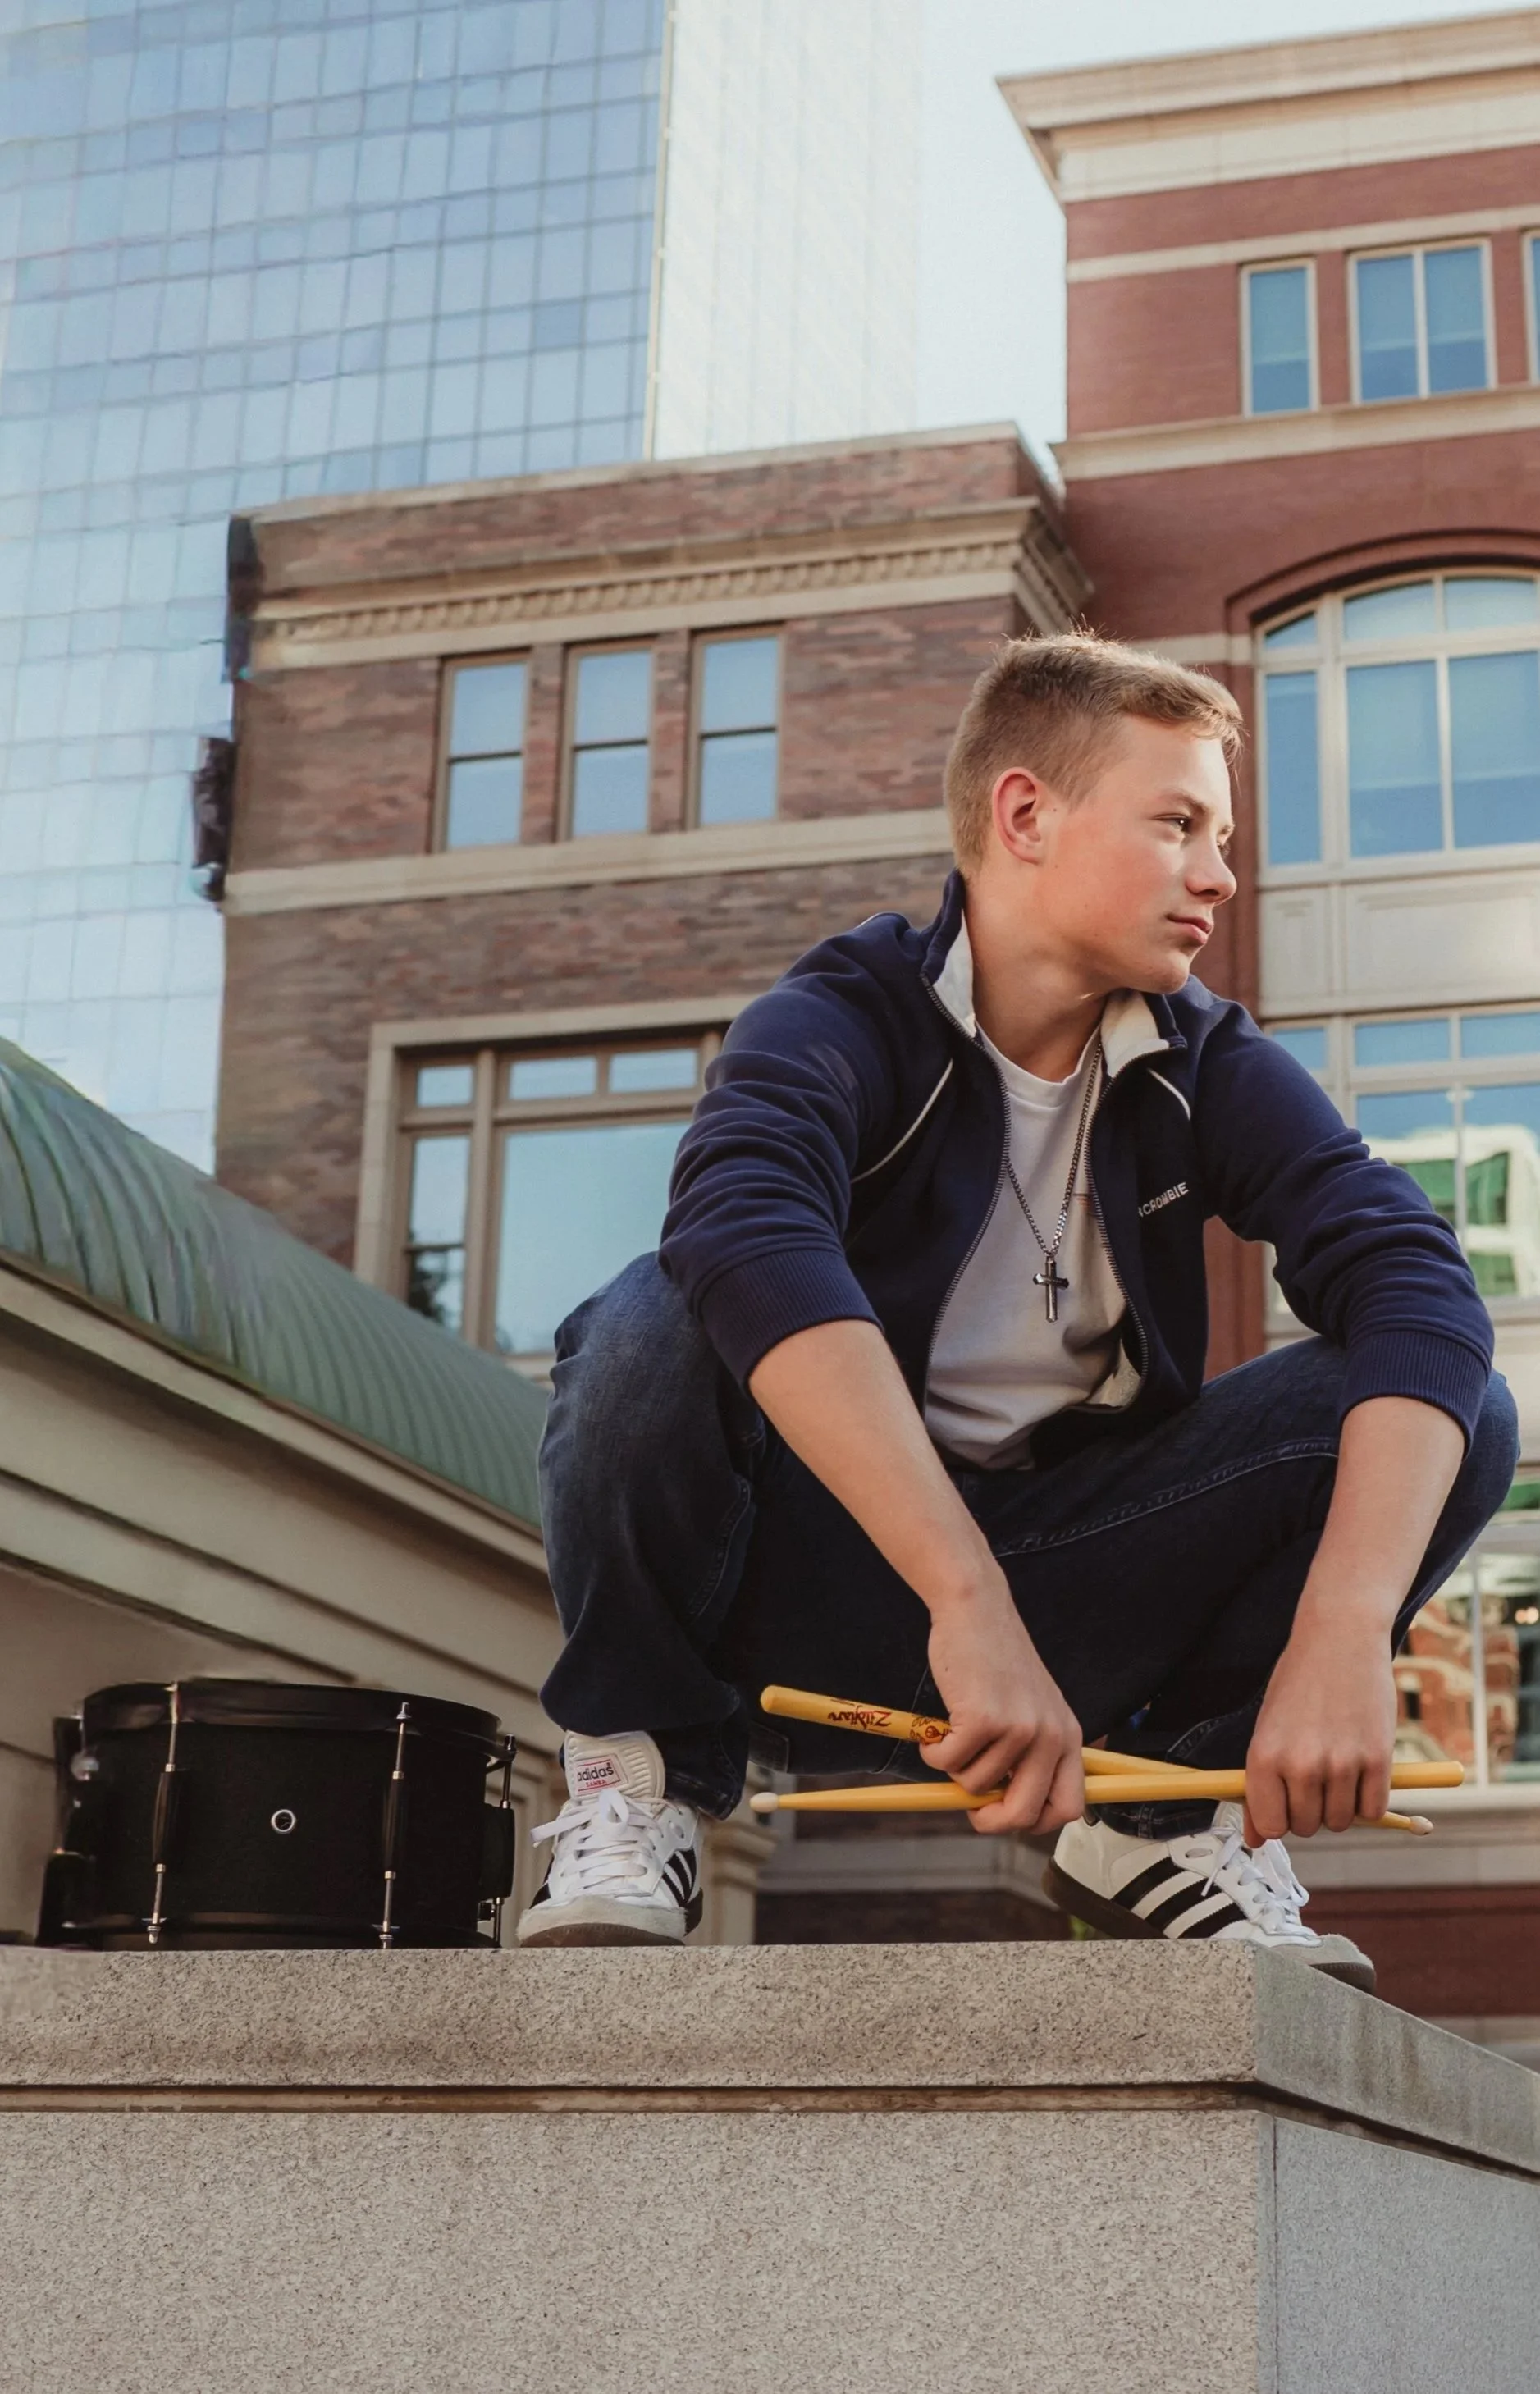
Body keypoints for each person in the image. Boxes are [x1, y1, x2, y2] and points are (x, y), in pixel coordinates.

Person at [516, 633, 1516, 1984]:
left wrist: (1345, 1623)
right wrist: (962, 1598)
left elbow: (1416, 1283)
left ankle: (1165, 1816)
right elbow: (743, 1230)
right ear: (1027, 815)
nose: (1221, 873)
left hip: (1066, 1608)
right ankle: (635, 1777)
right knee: (653, 1314)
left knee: (1450, 1406)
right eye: (1178, 825)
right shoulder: (840, 1014)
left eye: (1219, 834)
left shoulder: (1199, 1056)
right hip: (802, 1591)